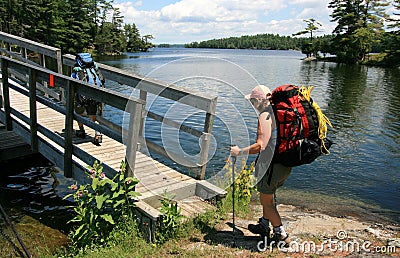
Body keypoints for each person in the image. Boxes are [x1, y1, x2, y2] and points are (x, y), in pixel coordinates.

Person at [230, 85, 292, 246]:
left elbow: (260, 145)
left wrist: (239, 151)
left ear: (258, 101)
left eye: (252, 101)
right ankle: (264, 225)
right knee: (268, 196)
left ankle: (281, 235)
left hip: (272, 167)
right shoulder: (280, 113)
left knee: (266, 202)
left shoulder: (265, 116)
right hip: (285, 164)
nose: (252, 105)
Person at [71, 53, 105, 145]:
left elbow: (72, 81)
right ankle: (97, 133)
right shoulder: (94, 68)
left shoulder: (77, 70)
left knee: (79, 113)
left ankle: (81, 131)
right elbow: (102, 81)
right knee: (92, 114)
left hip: (81, 97)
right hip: (94, 96)